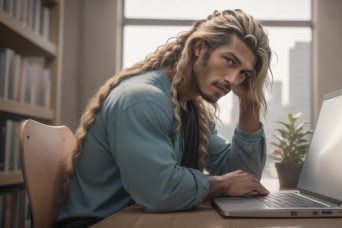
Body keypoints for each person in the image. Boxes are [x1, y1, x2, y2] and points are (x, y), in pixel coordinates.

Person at [56, 9, 273, 227]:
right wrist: (223, 184)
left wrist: (249, 104)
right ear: (200, 48)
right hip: (98, 223)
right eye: (229, 61)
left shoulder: (194, 110)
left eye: (244, 73)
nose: (233, 80)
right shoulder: (143, 100)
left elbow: (245, 180)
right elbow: (159, 191)